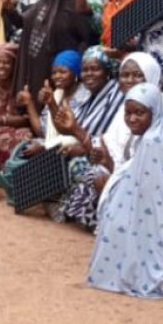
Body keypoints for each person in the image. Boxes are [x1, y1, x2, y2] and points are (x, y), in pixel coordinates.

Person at [85, 82, 163, 299]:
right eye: (128, 113)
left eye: (140, 113)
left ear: (155, 112)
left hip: (153, 209)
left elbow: (153, 190)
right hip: (141, 202)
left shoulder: (153, 140)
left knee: (118, 221)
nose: (132, 119)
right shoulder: (159, 134)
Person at [51, 46, 128, 229]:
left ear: (107, 72)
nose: (89, 74)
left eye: (95, 69)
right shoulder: (90, 97)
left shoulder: (115, 94)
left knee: (74, 166)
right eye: (85, 70)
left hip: (110, 160)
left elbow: (106, 141)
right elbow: (66, 129)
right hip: (91, 152)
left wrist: (79, 141)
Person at [6, 0, 94, 94]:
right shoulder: (44, 3)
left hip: (60, 70)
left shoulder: (74, 6)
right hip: (37, 67)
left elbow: (86, 38)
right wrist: (9, 8)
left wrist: (73, 64)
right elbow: (22, 23)